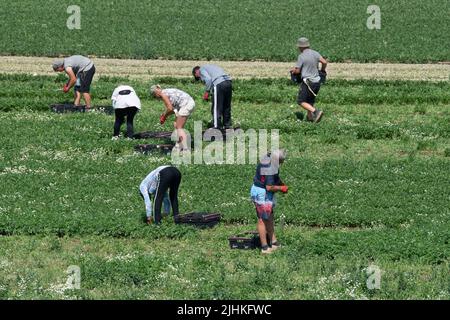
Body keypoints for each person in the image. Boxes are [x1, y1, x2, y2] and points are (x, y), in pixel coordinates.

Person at [250, 149, 288, 254]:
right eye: (281, 162)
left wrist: (281, 183)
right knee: (262, 219)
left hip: (263, 192)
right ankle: (265, 247)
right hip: (262, 193)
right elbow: (269, 187)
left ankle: (274, 243)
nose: (281, 164)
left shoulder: (268, 157)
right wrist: (281, 189)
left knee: (269, 217)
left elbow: (275, 178)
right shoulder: (270, 168)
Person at [290, 37, 327, 123]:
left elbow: (298, 71)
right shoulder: (315, 53)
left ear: (301, 47)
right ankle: (310, 119)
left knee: (301, 101)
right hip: (317, 82)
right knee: (310, 100)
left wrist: (293, 70)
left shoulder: (301, 56)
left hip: (308, 82)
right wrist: (323, 70)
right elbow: (324, 62)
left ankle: (316, 112)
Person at [149, 85, 195, 152]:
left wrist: (164, 117)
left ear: (156, 93)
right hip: (186, 104)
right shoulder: (165, 92)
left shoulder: (163, 94)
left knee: (179, 128)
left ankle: (186, 149)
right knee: (176, 125)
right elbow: (173, 109)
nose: (156, 98)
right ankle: (179, 145)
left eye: (154, 96)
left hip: (186, 104)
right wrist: (166, 115)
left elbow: (170, 109)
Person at [192, 64, 232, 130]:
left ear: (196, 72)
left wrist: (207, 92)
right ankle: (227, 125)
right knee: (226, 106)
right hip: (228, 82)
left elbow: (208, 80)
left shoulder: (201, 69)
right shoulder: (211, 67)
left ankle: (217, 127)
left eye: (198, 77)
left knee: (216, 107)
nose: (201, 79)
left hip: (219, 83)